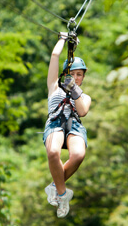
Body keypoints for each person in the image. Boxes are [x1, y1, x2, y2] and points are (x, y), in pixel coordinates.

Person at [43, 32, 92, 218]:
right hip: (55, 123)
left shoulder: (84, 96)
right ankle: (63, 194)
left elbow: (83, 111)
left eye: (79, 75)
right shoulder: (54, 86)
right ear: (65, 74)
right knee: (54, 152)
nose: (76, 77)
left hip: (74, 126)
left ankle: (56, 186)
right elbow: (55, 56)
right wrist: (62, 40)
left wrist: (74, 89)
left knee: (78, 154)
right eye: (72, 74)